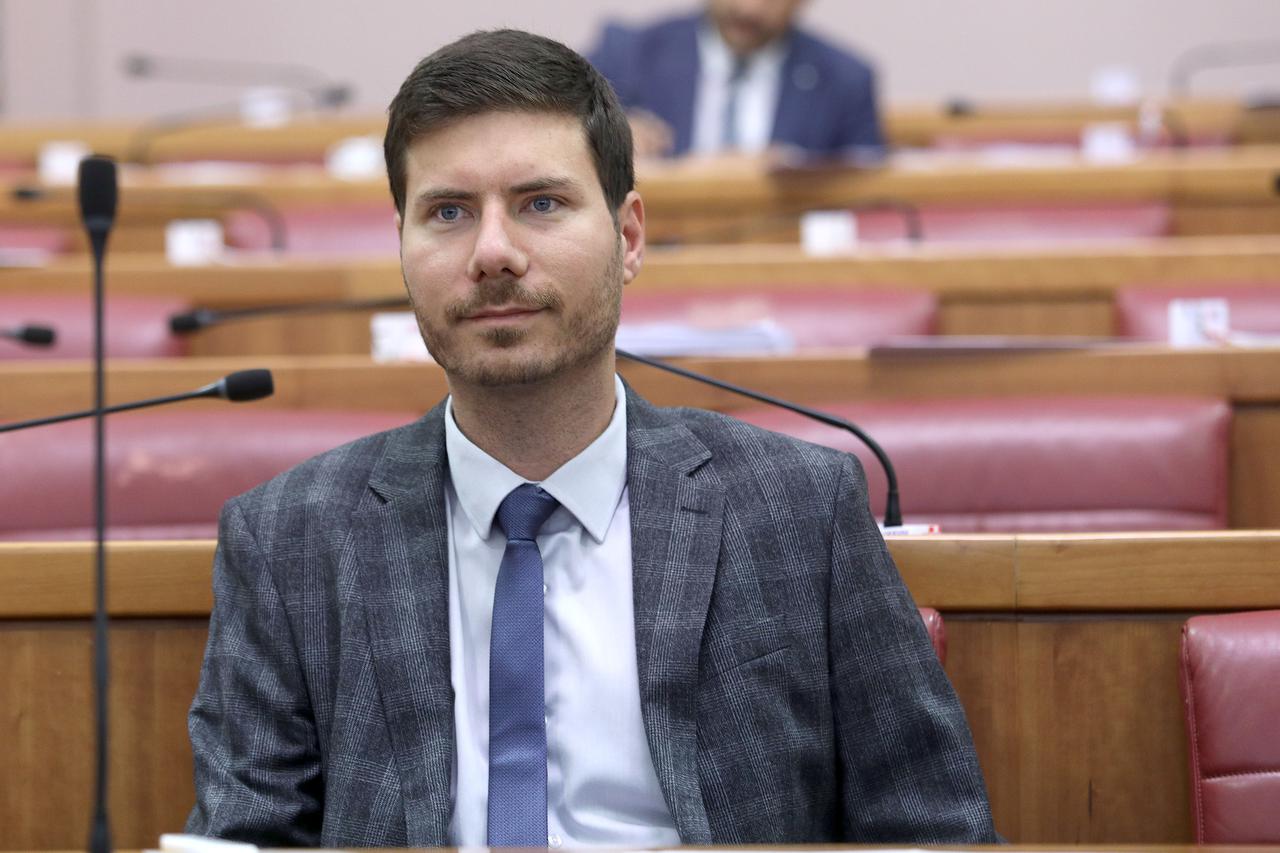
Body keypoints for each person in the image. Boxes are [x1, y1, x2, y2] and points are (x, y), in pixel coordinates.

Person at [185, 28, 996, 848]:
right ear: (402, 244)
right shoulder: (287, 538)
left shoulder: (799, 509)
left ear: (629, 236)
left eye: (541, 203)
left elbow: (933, 831)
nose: (493, 252)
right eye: (448, 212)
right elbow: (249, 833)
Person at [588, 0, 884, 158]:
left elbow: (870, 202)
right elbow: (567, 130)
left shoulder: (845, 81)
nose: (748, 9)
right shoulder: (628, 54)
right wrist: (610, 136)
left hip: (783, 249)